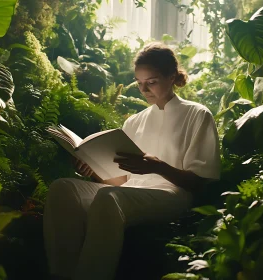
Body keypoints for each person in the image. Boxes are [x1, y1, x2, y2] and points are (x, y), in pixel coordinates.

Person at [43, 42, 221, 280]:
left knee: (108, 197)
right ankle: (61, 275)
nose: (144, 89)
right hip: (130, 192)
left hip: (173, 194)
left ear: (171, 76)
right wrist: (93, 169)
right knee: (63, 188)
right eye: (139, 83)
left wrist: (156, 166)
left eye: (152, 82)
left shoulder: (197, 115)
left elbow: (199, 182)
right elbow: (121, 182)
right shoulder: (134, 122)